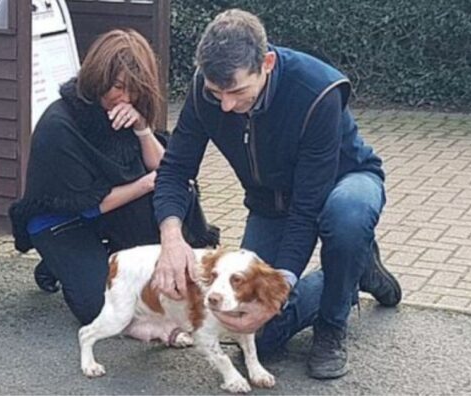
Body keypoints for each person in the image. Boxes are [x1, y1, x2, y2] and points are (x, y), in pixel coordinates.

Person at [152, 9, 402, 379]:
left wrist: (280, 289)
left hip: (344, 183)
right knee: (253, 333)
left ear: (266, 63)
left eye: (236, 91)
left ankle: (332, 326)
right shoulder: (203, 91)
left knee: (345, 219)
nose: (225, 105)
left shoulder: (317, 91)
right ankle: (354, 269)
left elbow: (307, 208)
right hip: (270, 203)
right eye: (215, 92)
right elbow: (174, 169)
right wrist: (171, 237)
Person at [8, 29, 218, 325]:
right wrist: (146, 183)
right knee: (99, 309)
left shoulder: (130, 110)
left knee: (173, 197)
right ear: (98, 77)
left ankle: (91, 258)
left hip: (110, 208)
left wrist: (143, 129)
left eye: (134, 89)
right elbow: (87, 205)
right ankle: (58, 264)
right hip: (60, 218)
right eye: (118, 87)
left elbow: (167, 169)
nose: (126, 97)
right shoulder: (59, 125)